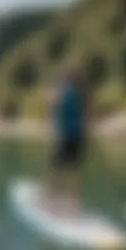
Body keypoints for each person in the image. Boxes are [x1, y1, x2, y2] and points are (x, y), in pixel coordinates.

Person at [42, 64, 93, 215]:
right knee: (76, 170)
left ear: (66, 78)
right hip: (79, 137)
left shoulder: (64, 91)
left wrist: (48, 100)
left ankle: (50, 201)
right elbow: (88, 114)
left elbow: (52, 102)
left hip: (65, 137)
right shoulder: (81, 93)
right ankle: (76, 206)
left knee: (56, 169)